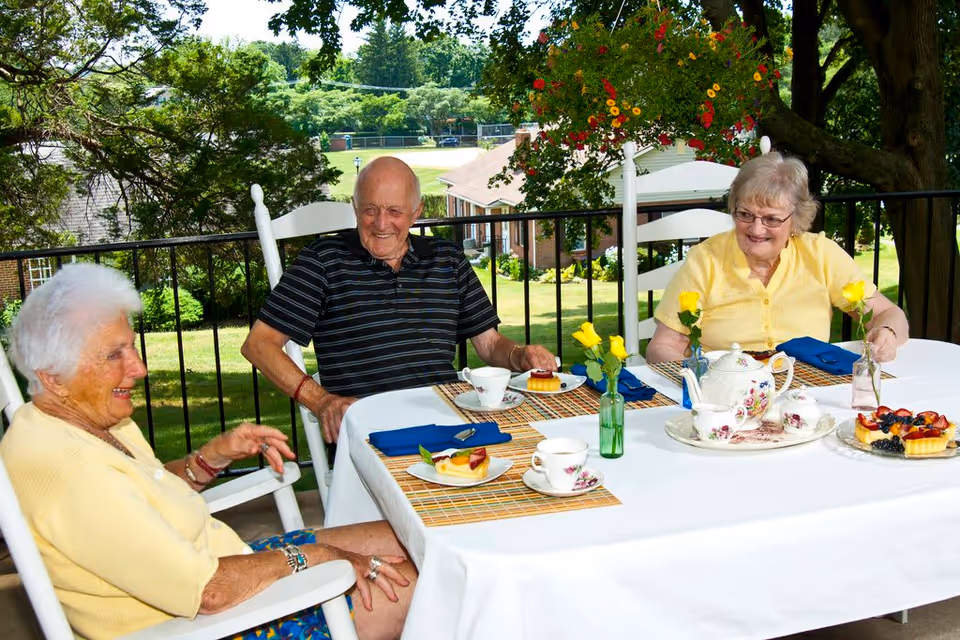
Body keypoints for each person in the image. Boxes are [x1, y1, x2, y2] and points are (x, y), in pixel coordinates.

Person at [0, 264, 416, 640]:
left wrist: (211, 457)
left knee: (413, 536)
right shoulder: (69, 472)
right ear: (52, 377)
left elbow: (142, 493)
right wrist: (321, 556)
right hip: (213, 622)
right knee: (429, 582)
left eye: (131, 346)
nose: (139, 368)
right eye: (114, 354)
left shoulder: (83, 420)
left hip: (232, 563)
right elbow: (208, 592)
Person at [242, 156, 557, 443]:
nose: (381, 224)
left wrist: (519, 355)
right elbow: (259, 344)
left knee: (537, 451)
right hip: (371, 432)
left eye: (394, 211)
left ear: (416, 212)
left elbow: (488, 344)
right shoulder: (323, 260)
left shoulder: (445, 258)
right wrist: (321, 401)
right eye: (370, 210)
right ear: (355, 207)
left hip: (452, 424)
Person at [646, 152, 909, 364]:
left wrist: (887, 333)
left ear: (796, 219)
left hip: (809, 396)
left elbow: (888, 313)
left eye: (771, 219)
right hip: (728, 399)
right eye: (745, 215)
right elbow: (662, 347)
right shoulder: (706, 260)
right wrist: (704, 382)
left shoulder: (820, 255)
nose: (756, 229)